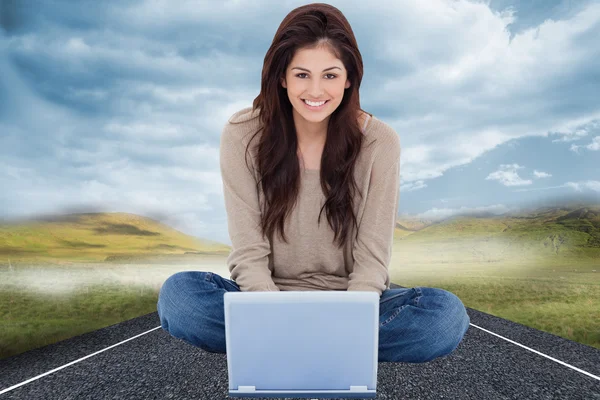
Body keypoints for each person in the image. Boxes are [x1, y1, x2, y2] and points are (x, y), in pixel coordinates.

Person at [157, 3, 469, 363]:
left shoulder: (381, 142)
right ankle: (330, 349)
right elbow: (248, 252)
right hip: (265, 300)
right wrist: (271, 313)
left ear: (350, 77)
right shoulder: (242, 134)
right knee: (180, 296)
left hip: (351, 304)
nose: (316, 90)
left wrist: (350, 319)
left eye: (330, 76)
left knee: (443, 317)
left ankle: (282, 347)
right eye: (302, 75)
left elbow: (371, 261)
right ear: (282, 77)